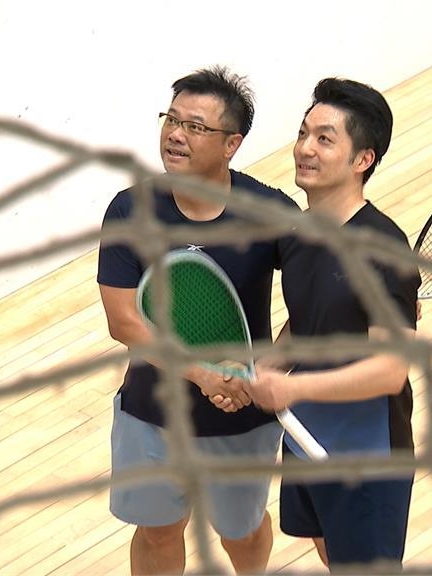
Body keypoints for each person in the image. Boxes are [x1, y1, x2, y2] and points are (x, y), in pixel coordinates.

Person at [96, 66, 300, 575]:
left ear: (232, 144)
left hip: (242, 418)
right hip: (151, 413)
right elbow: (124, 321)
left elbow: (315, 298)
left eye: (195, 126)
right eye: (171, 120)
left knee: (240, 531)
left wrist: (270, 365)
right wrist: (203, 374)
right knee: (158, 531)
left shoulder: (268, 211)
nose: (175, 134)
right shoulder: (130, 210)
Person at [243, 78, 421, 572]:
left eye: (324, 139)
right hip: (306, 437)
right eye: (304, 134)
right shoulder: (299, 234)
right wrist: (268, 366)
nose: (305, 148)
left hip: (367, 454)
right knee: (326, 547)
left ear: (362, 159)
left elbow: (390, 372)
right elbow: (308, 321)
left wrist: (293, 389)